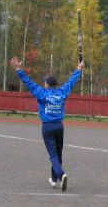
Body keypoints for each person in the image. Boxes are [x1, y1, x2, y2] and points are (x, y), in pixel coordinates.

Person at [10, 56, 83, 192]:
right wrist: (79, 69)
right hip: (59, 127)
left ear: (47, 84)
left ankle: (61, 174)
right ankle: (54, 180)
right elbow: (71, 82)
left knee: (53, 154)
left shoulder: (42, 94)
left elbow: (28, 82)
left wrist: (18, 69)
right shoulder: (61, 92)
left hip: (47, 127)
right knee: (58, 154)